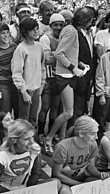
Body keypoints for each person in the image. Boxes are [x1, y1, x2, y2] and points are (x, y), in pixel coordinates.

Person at [42, 7, 92, 156]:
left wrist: (80, 65)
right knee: (68, 113)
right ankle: (49, 138)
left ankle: (61, 140)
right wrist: (73, 68)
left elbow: (70, 53)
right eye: (90, 20)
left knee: (65, 111)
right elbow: (59, 53)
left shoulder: (72, 30)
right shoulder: (71, 31)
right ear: (85, 20)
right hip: (65, 76)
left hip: (69, 75)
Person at [0, 119, 61, 194]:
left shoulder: (34, 149)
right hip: (7, 190)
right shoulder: (1, 156)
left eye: (32, 137)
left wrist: (28, 192)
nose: (31, 142)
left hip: (26, 186)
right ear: (14, 140)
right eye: (26, 139)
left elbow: (36, 172)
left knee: (56, 183)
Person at [53, 116, 110, 194]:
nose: (96, 137)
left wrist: (100, 174)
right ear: (81, 134)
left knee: (107, 184)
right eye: (92, 134)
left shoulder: (92, 144)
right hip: (65, 181)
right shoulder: (62, 147)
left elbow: (91, 166)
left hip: (82, 178)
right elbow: (56, 174)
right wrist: (77, 184)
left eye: (96, 133)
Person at [11, 17, 46, 127]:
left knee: (33, 118)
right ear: (25, 32)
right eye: (33, 29)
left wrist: (42, 84)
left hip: (37, 88)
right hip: (26, 90)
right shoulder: (21, 49)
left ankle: (32, 141)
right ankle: (22, 141)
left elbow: (42, 66)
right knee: (24, 119)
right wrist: (23, 91)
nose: (36, 31)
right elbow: (16, 73)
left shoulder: (39, 46)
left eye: (37, 29)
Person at [38, 14, 64, 142]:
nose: (58, 27)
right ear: (50, 25)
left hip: (60, 78)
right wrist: (62, 56)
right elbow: (48, 60)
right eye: (56, 25)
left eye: (61, 24)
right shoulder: (45, 38)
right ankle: (41, 132)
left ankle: (51, 133)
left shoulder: (65, 38)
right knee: (45, 107)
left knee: (55, 107)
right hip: (48, 78)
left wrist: (55, 54)